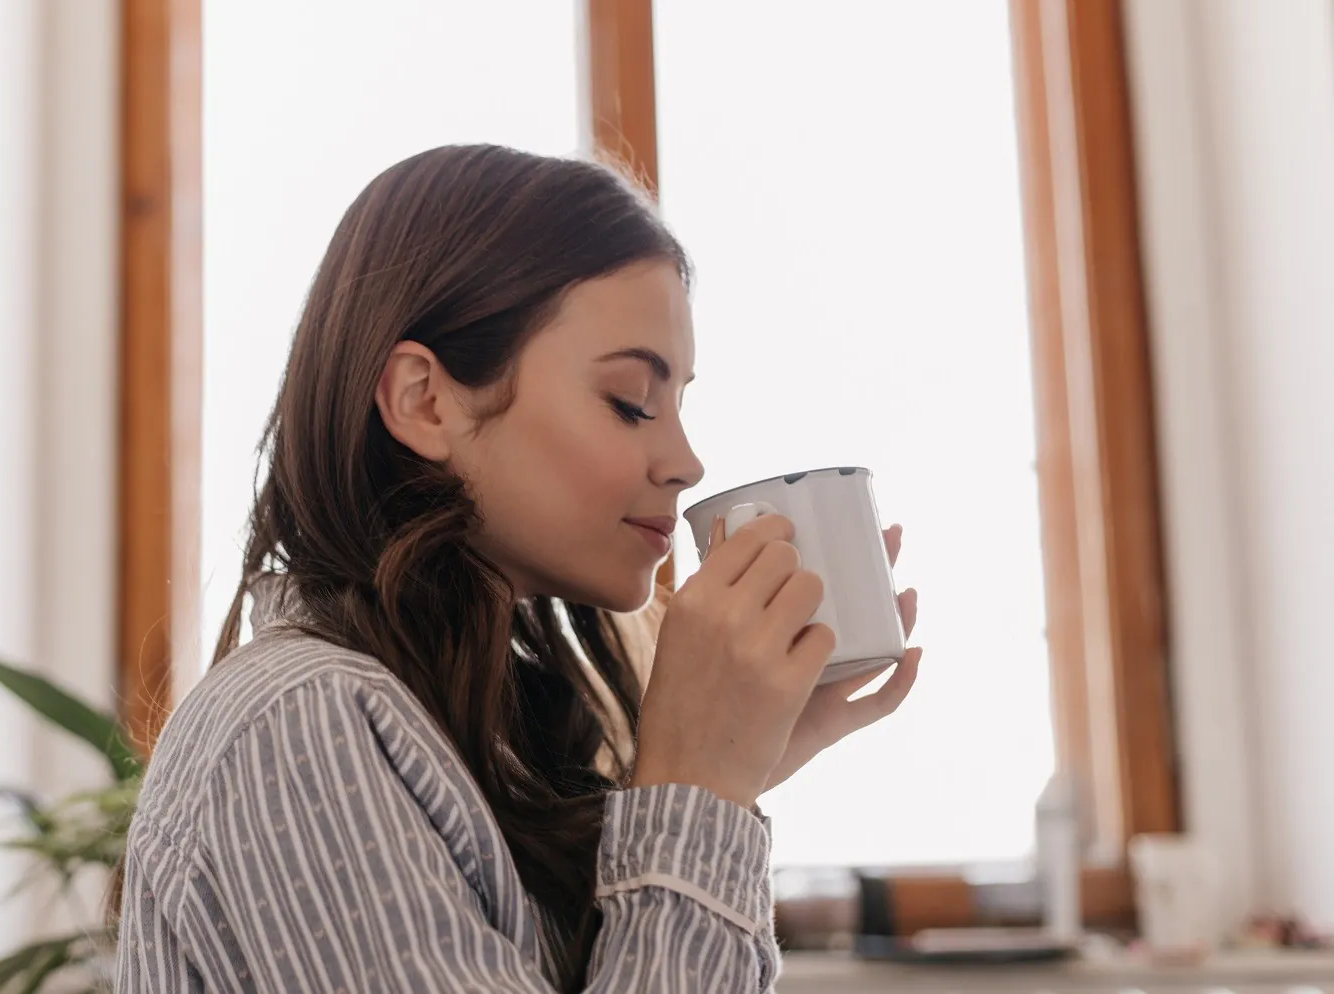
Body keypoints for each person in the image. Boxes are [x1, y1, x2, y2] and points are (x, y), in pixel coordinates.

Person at [116, 144, 923, 993]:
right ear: (424, 400)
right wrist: (698, 794)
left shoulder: (484, 734)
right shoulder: (302, 723)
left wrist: (730, 768)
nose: (686, 461)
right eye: (631, 404)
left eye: (679, 405)